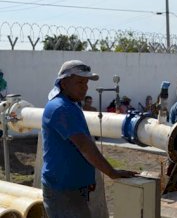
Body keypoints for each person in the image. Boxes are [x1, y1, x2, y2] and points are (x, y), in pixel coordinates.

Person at [42, 60, 138, 218]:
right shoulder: (61, 108)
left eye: (86, 82)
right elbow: (85, 146)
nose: (85, 87)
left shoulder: (70, 104)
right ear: (64, 83)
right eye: (79, 82)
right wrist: (111, 172)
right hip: (63, 191)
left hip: (69, 187)